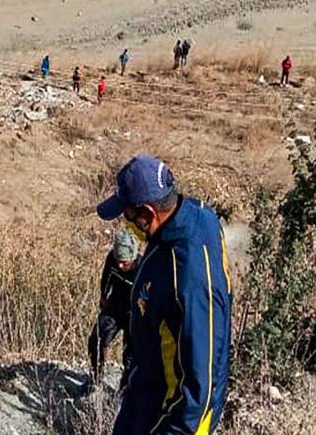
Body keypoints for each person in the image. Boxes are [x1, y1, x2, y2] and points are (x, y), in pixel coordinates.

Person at [97, 154, 233, 435]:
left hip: (168, 417)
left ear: (148, 213)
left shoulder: (190, 278)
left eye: (129, 216)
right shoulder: (198, 215)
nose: (127, 222)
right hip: (145, 389)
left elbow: (198, 389)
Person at [89, 230, 139, 389]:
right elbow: (106, 277)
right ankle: (95, 380)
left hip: (134, 313)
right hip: (115, 306)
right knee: (95, 340)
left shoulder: (143, 268)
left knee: (130, 356)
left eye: (124, 262)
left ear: (133, 258)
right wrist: (103, 296)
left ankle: (125, 389)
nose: (120, 265)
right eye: (118, 261)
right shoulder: (112, 258)